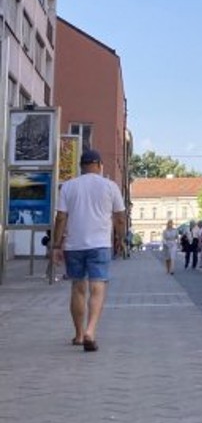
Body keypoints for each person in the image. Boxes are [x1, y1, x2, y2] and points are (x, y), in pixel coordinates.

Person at [50, 149, 126, 353]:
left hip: (74, 245)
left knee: (78, 288)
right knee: (98, 287)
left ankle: (79, 334)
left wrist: (56, 245)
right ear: (100, 165)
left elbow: (61, 217)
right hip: (100, 244)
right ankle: (91, 331)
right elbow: (119, 217)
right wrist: (120, 239)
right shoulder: (110, 186)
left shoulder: (68, 186)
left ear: (81, 166)